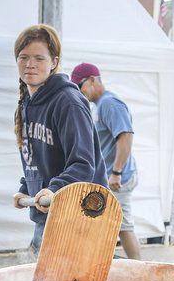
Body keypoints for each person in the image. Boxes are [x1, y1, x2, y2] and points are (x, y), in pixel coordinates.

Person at [13, 25, 107, 254]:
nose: (30, 64)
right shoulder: (26, 103)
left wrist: (54, 189)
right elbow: (35, 158)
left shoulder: (68, 102)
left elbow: (83, 163)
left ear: (54, 62)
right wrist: (26, 187)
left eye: (39, 58)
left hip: (78, 216)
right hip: (46, 213)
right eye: (23, 57)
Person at [70, 63, 141, 260]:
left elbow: (125, 136)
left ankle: (139, 271)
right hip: (109, 176)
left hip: (118, 178)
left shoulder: (110, 103)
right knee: (108, 224)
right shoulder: (99, 105)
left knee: (124, 227)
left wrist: (116, 172)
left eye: (80, 86)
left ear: (92, 80)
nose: (79, 91)